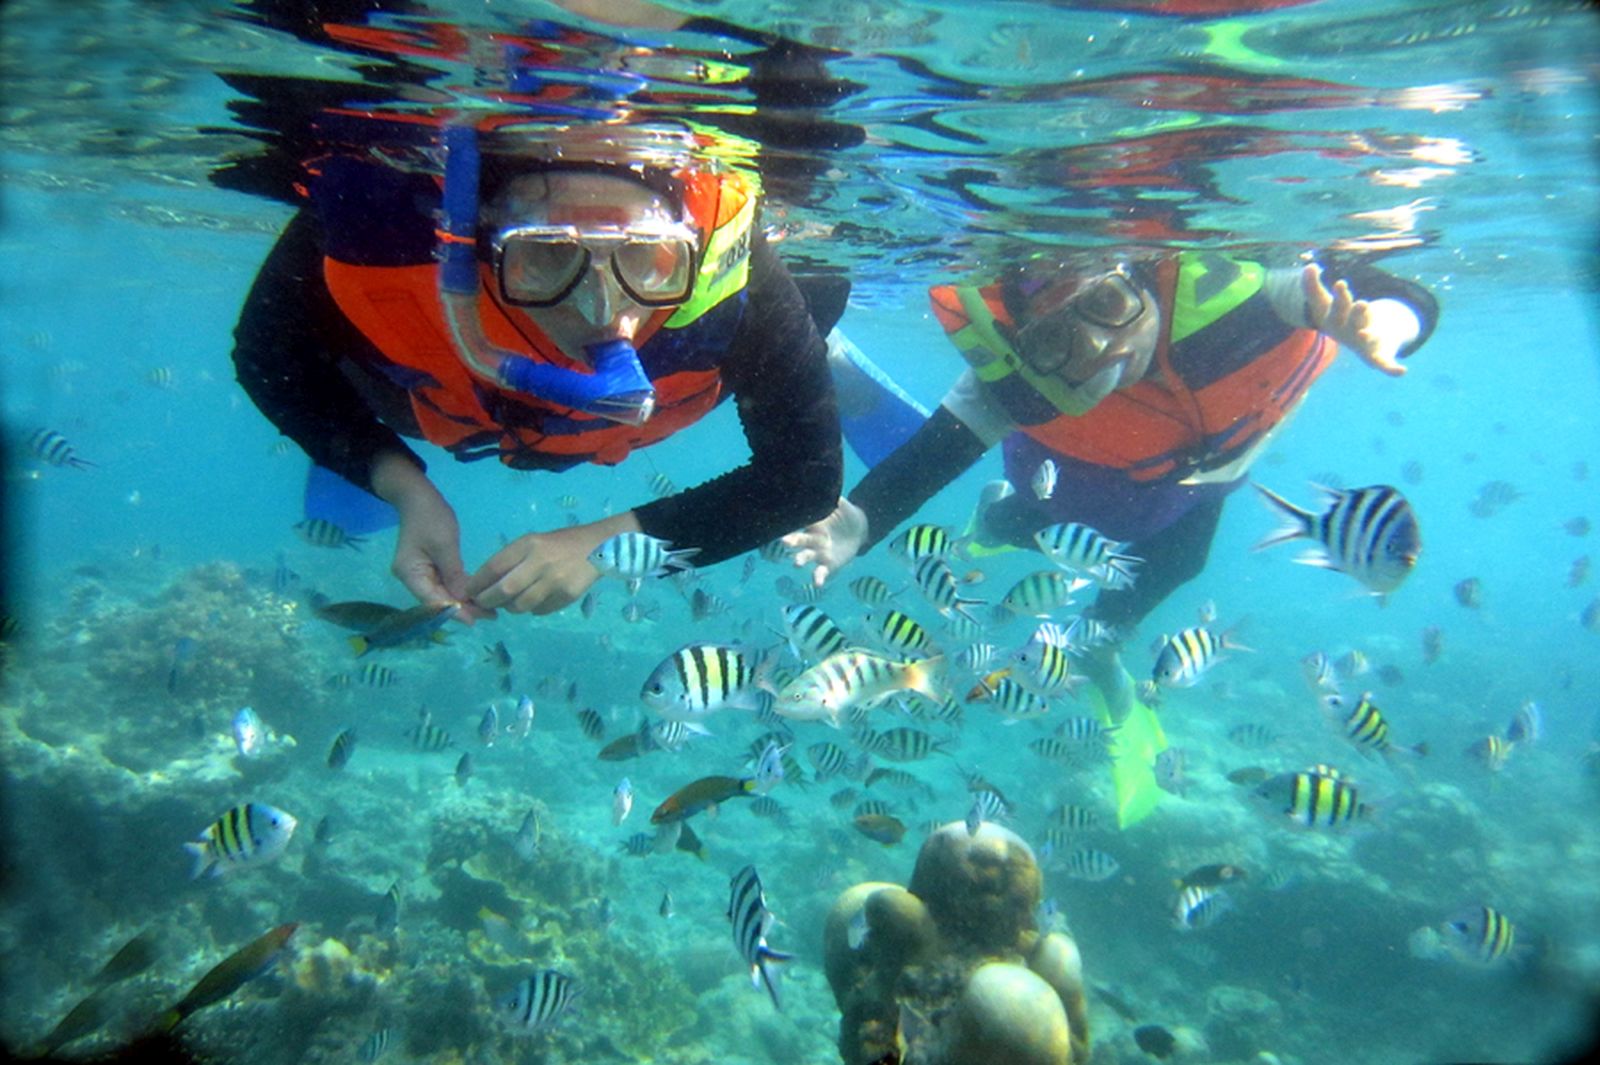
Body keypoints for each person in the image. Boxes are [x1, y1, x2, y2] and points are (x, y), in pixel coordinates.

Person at [233, 119, 842, 618]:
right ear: (476, 251)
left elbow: (806, 479)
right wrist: (400, 484)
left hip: (684, 387)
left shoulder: (732, 266)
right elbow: (266, 357)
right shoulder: (380, 229)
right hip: (433, 403)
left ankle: (821, 355)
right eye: (547, 259)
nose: (604, 312)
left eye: (647, 262)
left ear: (689, 251)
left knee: (815, 300)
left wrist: (603, 548)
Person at [786, 249, 1438, 709]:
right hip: (1077, 473)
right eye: (1063, 351)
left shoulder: (1231, 291)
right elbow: (949, 440)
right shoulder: (1020, 349)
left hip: (1209, 470)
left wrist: (1382, 324)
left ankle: (1102, 639)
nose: (1096, 347)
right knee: (1046, 525)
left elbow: (1403, 296)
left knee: (1182, 562)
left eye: (1106, 305)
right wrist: (863, 521)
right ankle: (997, 514)